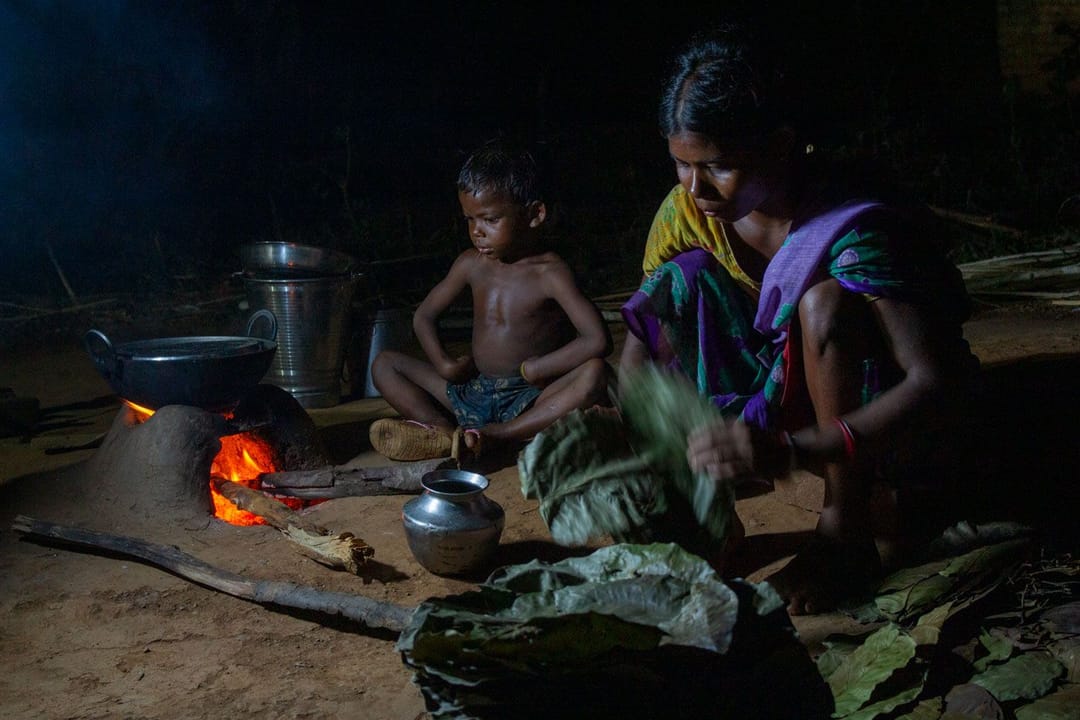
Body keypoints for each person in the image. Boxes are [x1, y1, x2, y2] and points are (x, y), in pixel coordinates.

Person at [618, 24, 982, 615]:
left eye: (718, 166)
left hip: (886, 413)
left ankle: (845, 529)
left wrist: (792, 449)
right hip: (787, 397)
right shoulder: (690, 211)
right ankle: (715, 511)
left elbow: (931, 382)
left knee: (822, 302)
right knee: (681, 277)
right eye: (681, 165)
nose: (696, 187)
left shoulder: (849, 224)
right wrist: (634, 420)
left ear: (781, 145)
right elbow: (647, 326)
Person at [369, 139, 613, 463]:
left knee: (595, 373)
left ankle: (500, 435)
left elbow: (597, 339)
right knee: (385, 364)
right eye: (470, 220)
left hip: (530, 396)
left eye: (490, 219)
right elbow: (424, 316)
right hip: (472, 392)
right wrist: (444, 364)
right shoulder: (471, 264)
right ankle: (446, 434)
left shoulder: (550, 273)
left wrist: (540, 367)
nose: (477, 231)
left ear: (534, 214)